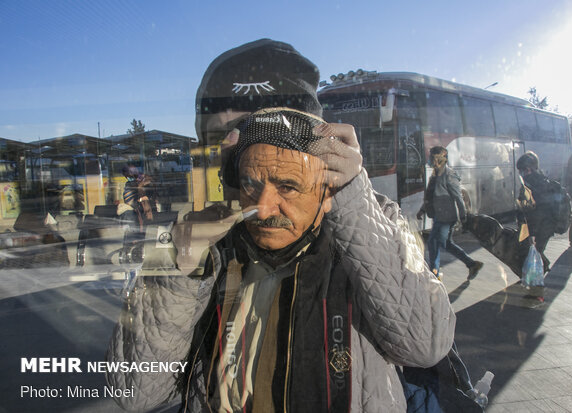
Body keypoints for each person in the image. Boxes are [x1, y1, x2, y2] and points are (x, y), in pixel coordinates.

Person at [106, 39, 455, 412]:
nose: (261, 205)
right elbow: (132, 392)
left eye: (246, 131)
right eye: (220, 143)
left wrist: (353, 201)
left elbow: (426, 345)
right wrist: (177, 266)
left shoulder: (371, 218)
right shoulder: (201, 239)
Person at [417, 146, 483, 280]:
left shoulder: (449, 175)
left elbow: (458, 197)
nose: (431, 161)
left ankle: (433, 275)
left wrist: (464, 217)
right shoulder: (435, 175)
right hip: (438, 215)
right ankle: (472, 264)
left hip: (446, 216)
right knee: (446, 243)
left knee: (433, 242)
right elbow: (430, 196)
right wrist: (422, 210)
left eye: (434, 158)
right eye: (431, 158)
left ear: (442, 159)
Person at [516, 151, 555, 273]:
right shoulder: (539, 181)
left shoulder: (534, 185)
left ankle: (536, 280)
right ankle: (541, 270)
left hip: (541, 226)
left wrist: (532, 233)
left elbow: (536, 211)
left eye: (521, 170)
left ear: (528, 169)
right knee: (536, 251)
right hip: (544, 225)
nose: (520, 174)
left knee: (535, 250)